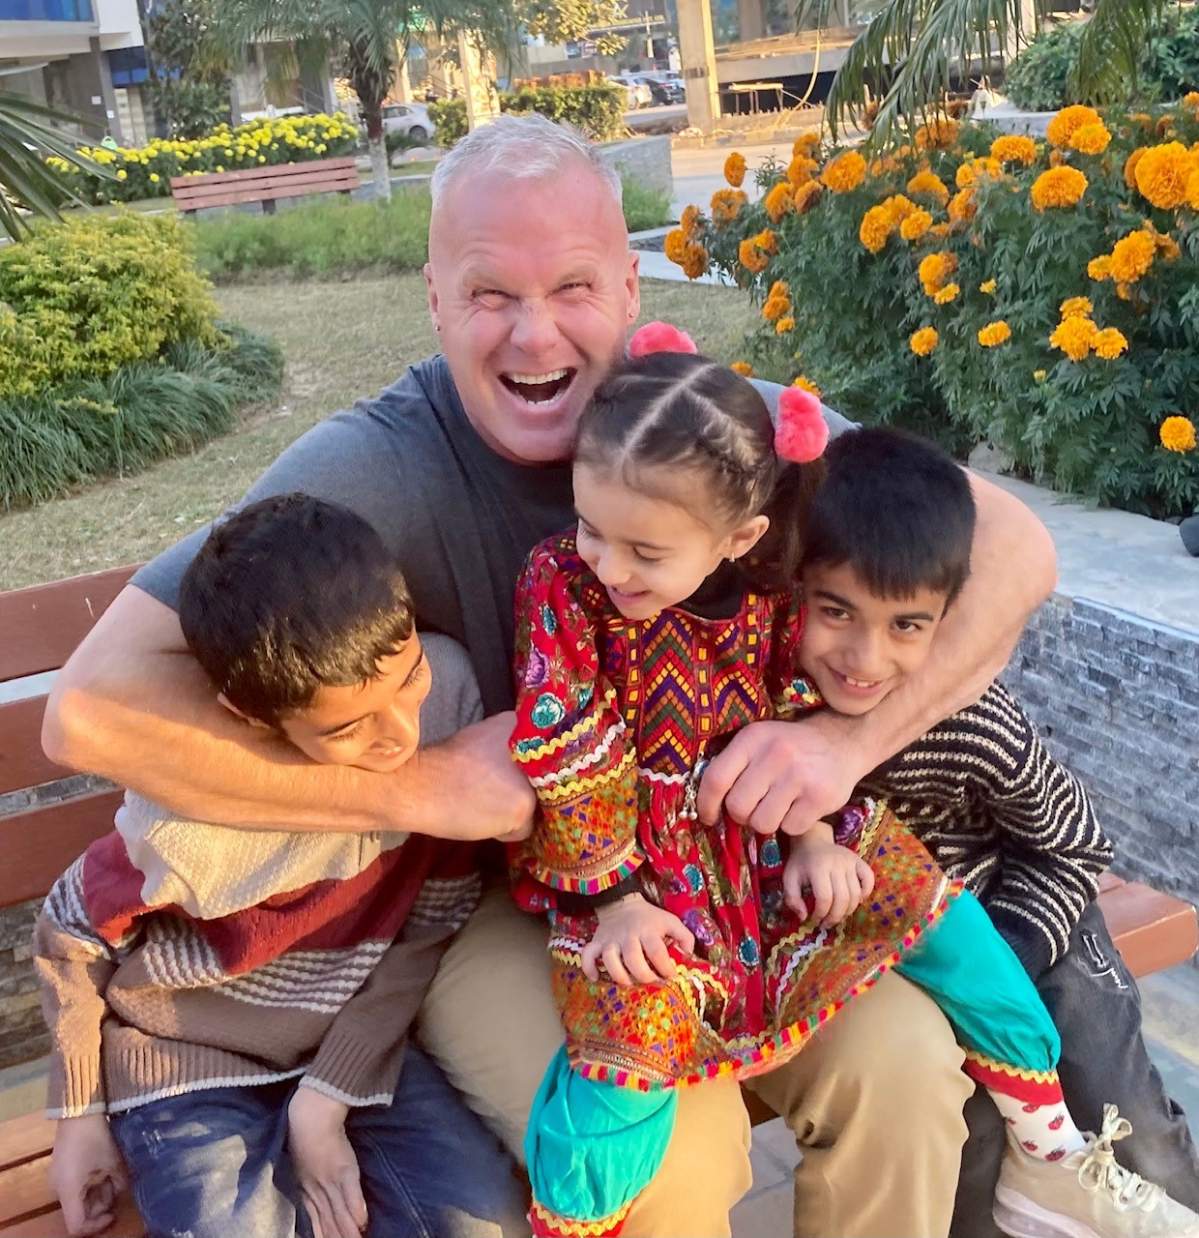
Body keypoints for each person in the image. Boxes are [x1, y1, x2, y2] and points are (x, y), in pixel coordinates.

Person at [42, 114, 1059, 1237]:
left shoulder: (701, 426)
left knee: (908, 1066)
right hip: (504, 908)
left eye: (572, 284)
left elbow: (1015, 548)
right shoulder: (380, 465)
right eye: (489, 294)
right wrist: (414, 788)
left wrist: (840, 746)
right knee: (675, 1138)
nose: (535, 336)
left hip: (734, 875)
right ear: (432, 300)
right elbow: (89, 706)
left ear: (629, 283)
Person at [508, 344, 1197, 1238]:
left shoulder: (801, 623)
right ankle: (573, 1221)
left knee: (1102, 1100)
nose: (608, 562)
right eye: (591, 528)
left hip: (1019, 914)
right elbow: (570, 746)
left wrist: (816, 838)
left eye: (642, 547)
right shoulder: (570, 587)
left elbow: (804, 724)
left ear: (740, 540)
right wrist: (613, 896)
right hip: (655, 881)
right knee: (627, 1052)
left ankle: (1053, 1150)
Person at [36, 495, 526, 1238]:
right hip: (184, 1064)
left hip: (351, 1048)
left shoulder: (446, 707)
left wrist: (326, 1098)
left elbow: (431, 920)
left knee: (478, 1221)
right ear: (252, 718)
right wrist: (78, 1117)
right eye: (348, 727)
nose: (400, 737)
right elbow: (71, 931)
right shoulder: (189, 823)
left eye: (409, 677)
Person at [799, 426, 1199, 1234]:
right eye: (834, 610)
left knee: (1132, 1133)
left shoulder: (968, 723)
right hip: (900, 961)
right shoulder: (771, 714)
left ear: (945, 619)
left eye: (907, 625)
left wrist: (1004, 960)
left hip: (1030, 929)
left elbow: (1072, 845)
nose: (864, 657)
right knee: (966, 1154)